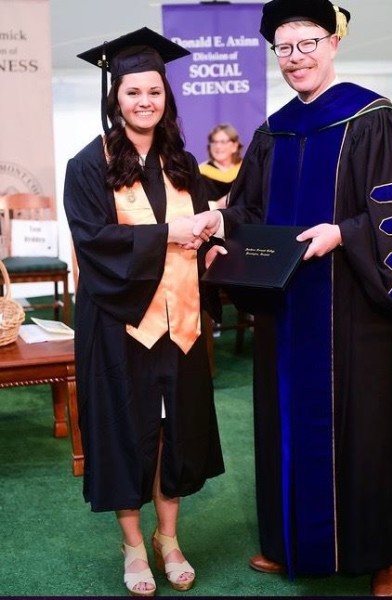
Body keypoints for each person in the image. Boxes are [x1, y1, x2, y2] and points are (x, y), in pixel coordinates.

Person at [193, 0, 392, 596]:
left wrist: (345, 232)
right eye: (284, 47)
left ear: (333, 43)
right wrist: (222, 231)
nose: (296, 58)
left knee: (369, 429)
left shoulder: (372, 118)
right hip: (288, 313)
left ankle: (385, 552)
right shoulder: (273, 131)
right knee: (284, 424)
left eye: (307, 43)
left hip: (355, 309)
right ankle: (292, 542)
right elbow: (250, 211)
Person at [63, 27, 224, 596]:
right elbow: (95, 243)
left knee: (174, 428)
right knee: (127, 430)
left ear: (166, 96)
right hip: (118, 322)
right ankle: (134, 544)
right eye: (133, 92)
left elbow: (198, 238)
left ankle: (169, 537)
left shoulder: (183, 163)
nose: (145, 102)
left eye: (154, 91)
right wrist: (168, 234)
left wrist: (209, 238)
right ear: (116, 98)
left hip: (179, 322)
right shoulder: (88, 165)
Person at [199, 123, 243, 209]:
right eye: (214, 142)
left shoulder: (246, 170)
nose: (218, 146)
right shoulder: (201, 173)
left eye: (223, 142)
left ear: (235, 146)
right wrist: (217, 205)